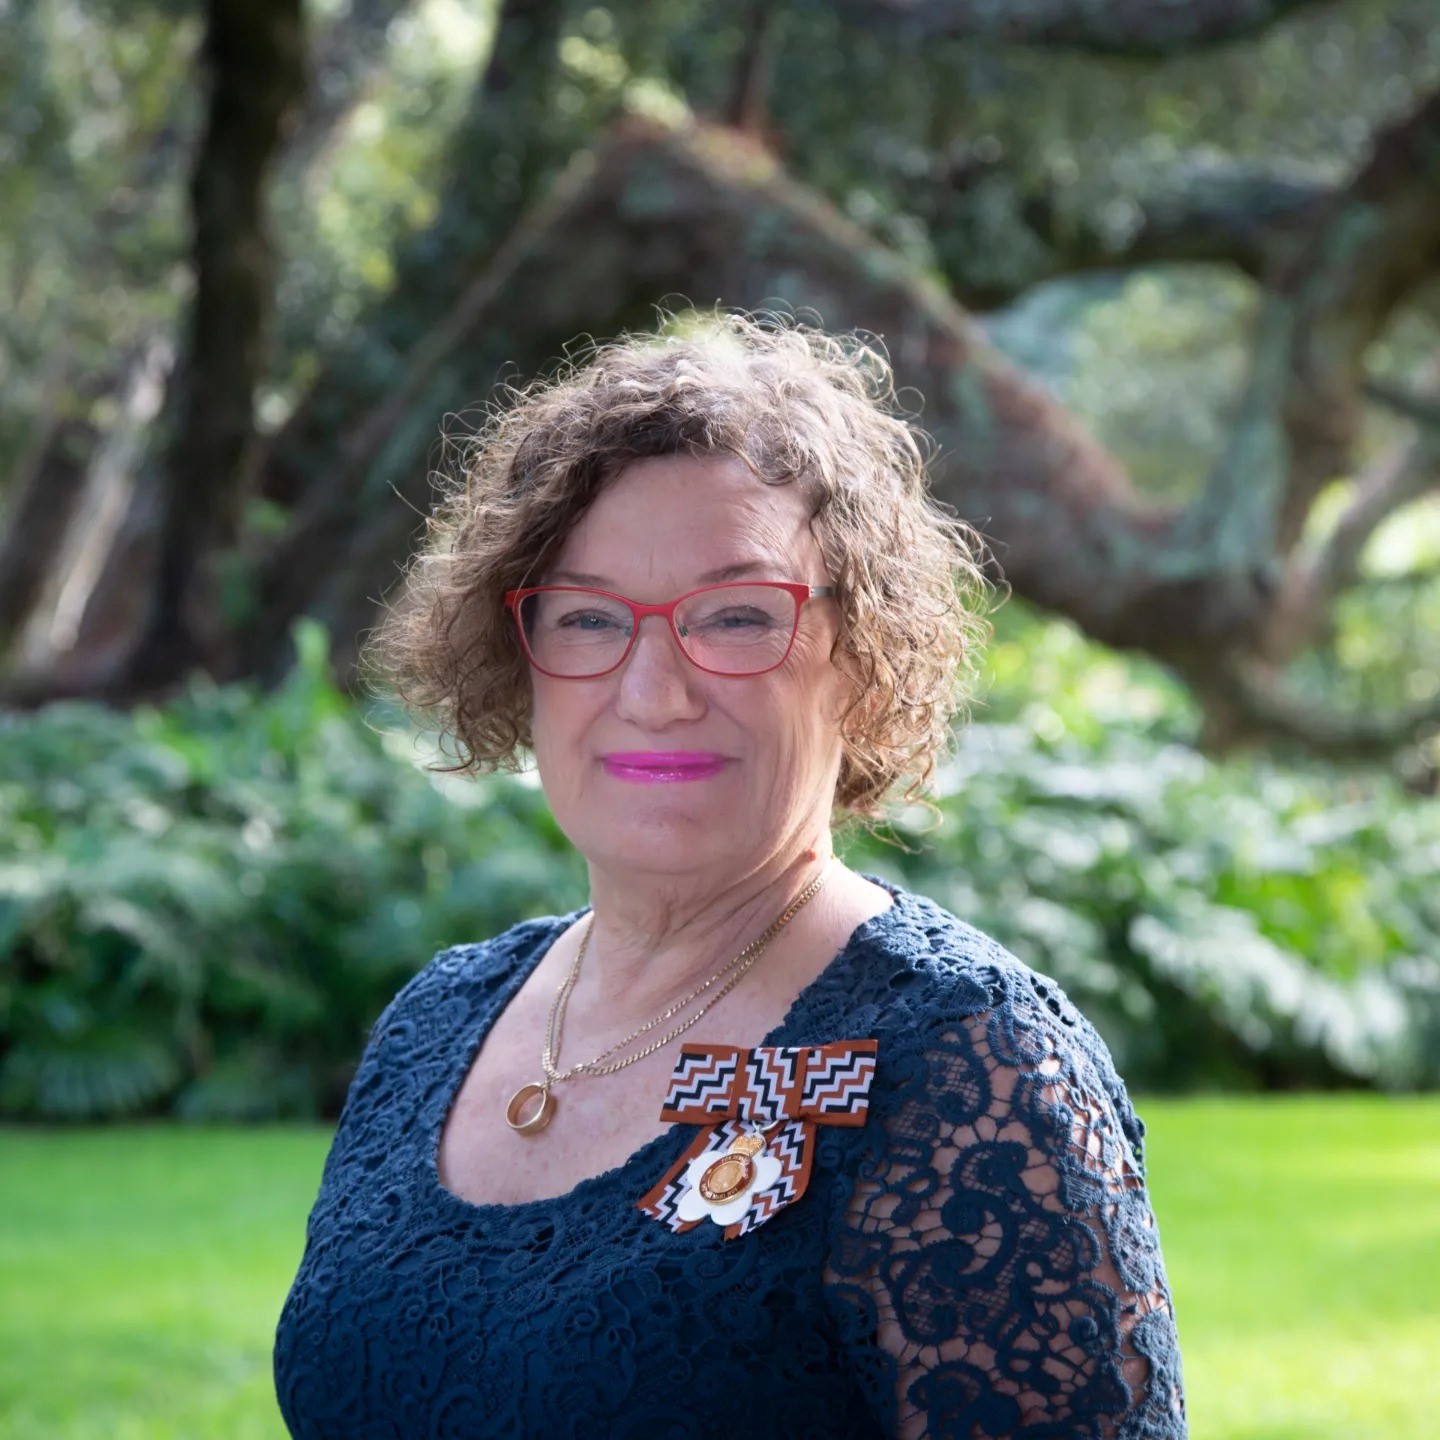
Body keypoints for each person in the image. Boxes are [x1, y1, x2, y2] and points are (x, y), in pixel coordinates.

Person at [273, 310, 1188, 1438]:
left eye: (740, 616)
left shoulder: (968, 1062)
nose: (653, 691)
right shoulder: (437, 1022)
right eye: (589, 617)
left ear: (864, 655)